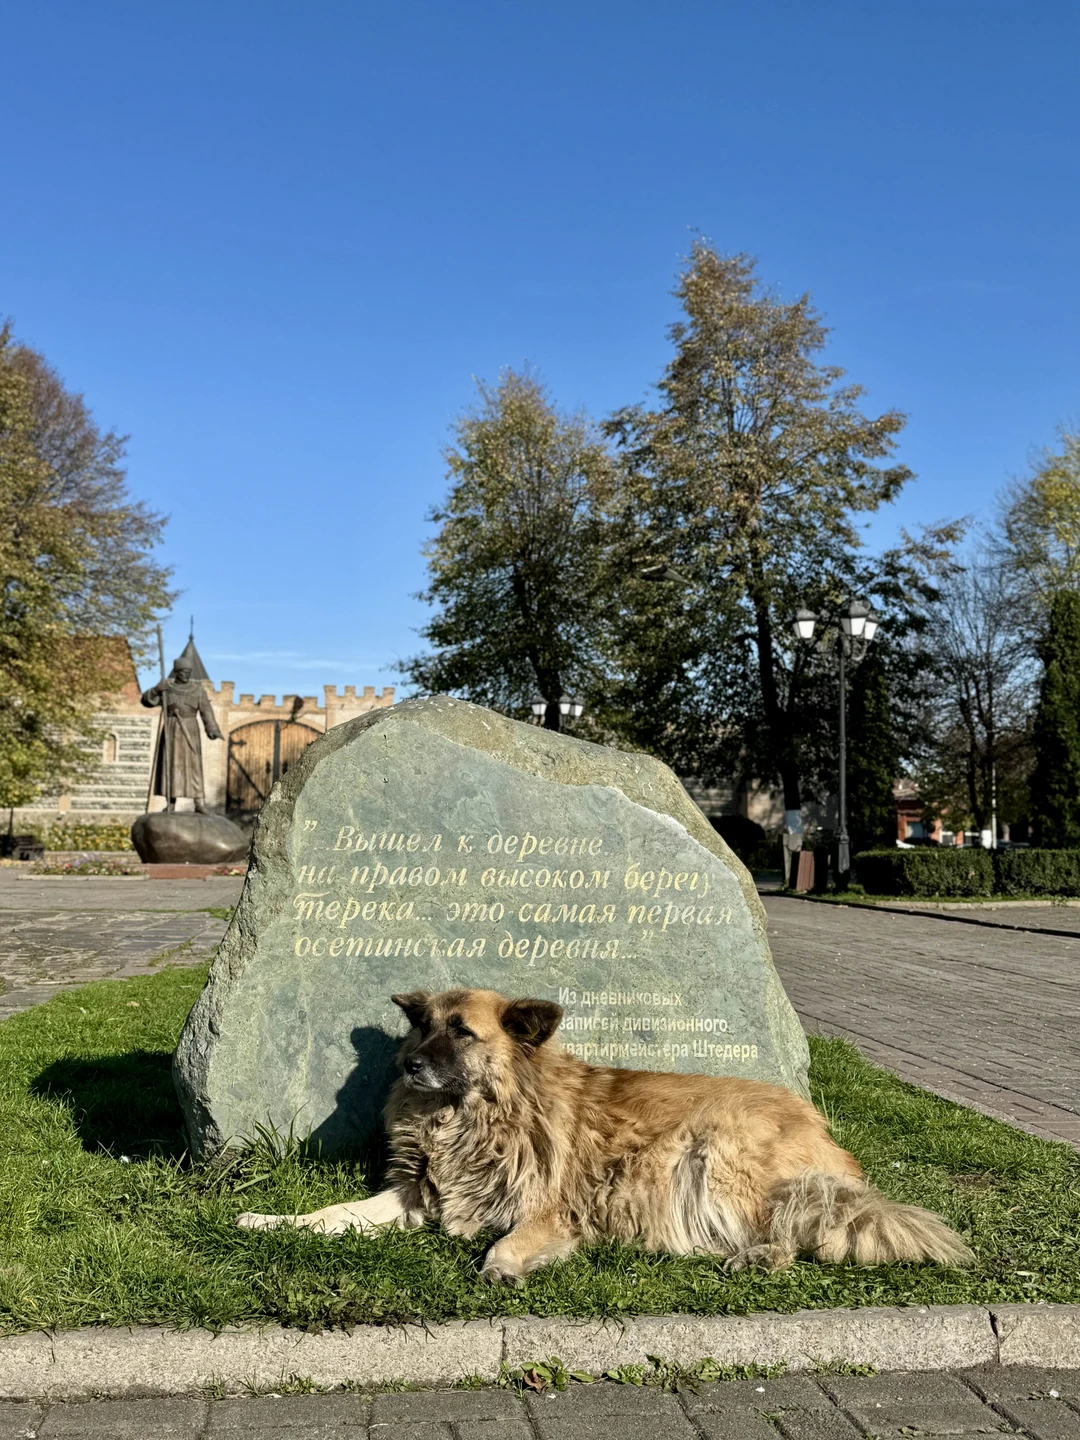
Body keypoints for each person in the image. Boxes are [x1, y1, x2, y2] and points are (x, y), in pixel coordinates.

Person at [141, 662, 223, 812]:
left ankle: (199, 804)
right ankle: (171, 803)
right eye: (183, 671)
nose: (186, 674)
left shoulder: (197, 690)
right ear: (177, 672)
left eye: (188, 672)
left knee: (194, 766)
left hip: (190, 728)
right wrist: (155, 690)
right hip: (171, 729)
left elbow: (206, 711)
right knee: (170, 765)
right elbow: (146, 701)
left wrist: (212, 729)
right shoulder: (167, 689)